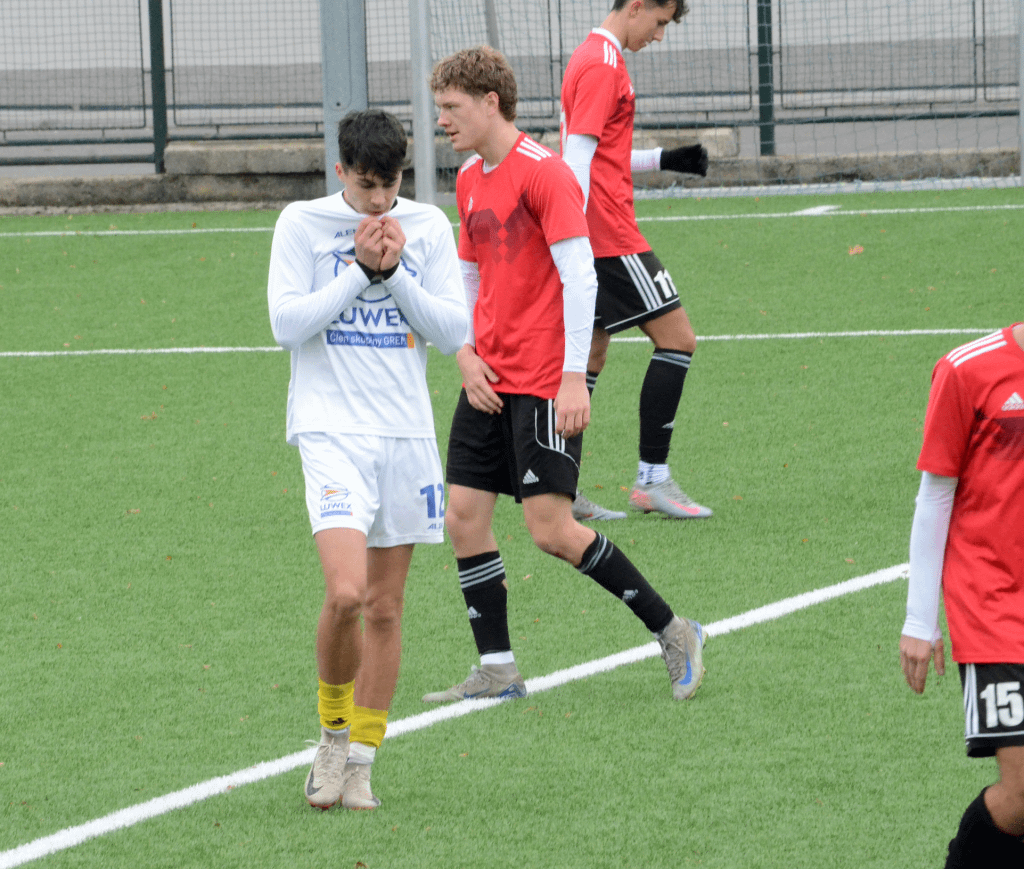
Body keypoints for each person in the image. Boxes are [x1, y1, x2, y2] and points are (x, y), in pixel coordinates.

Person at [424, 45, 706, 706]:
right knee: (463, 517)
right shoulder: (469, 177)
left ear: (490, 102)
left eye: (451, 107)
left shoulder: (543, 173)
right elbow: (469, 274)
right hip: (489, 376)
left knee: (552, 530)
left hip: (544, 378)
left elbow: (581, 278)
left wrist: (573, 378)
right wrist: (467, 353)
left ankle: (674, 630)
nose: (442, 120)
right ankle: (498, 669)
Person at [267, 109, 468, 810]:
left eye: (391, 184)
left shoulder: (429, 227)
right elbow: (285, 324)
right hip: (331, 433)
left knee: (384, 606)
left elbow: (455, 329)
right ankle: (331, 733)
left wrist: (395, 273)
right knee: (346, 593)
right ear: (341, 172)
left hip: (404, 435)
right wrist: (358, 269)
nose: (381, 200)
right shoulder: (302, 224)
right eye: (367, 185)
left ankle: (361, 760)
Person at [560, 0, 712, 522]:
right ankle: (652, 479)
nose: (660, 35)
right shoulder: (604, 64)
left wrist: (664, 160)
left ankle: (560, 488)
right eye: (661, 22)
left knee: (590, 352)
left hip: (595, 230)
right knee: (678, 339)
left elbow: (598, 152)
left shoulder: (590, 55)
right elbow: (576, 161)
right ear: (638, 6)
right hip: (606, 235)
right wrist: (571, 238)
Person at [899, 323, 1024, 866]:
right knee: (1022, 796)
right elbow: (935, 495)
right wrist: (919, 619)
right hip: (993, 603)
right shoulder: (968, 369)